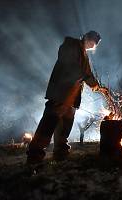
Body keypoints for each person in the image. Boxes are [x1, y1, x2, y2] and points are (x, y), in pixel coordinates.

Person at [27, 31, 107, 164]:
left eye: (95, 43)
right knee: (49, 123)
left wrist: (96, 86)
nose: (94, 44)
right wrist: (88, 79)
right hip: (61, 92)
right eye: (93, 41)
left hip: (72, 96)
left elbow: (86, 73)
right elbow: (72, 66)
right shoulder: (71, 45)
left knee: (65, 126)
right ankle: (34, 155)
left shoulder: (84, 54)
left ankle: (60, 154)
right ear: (87, 38)